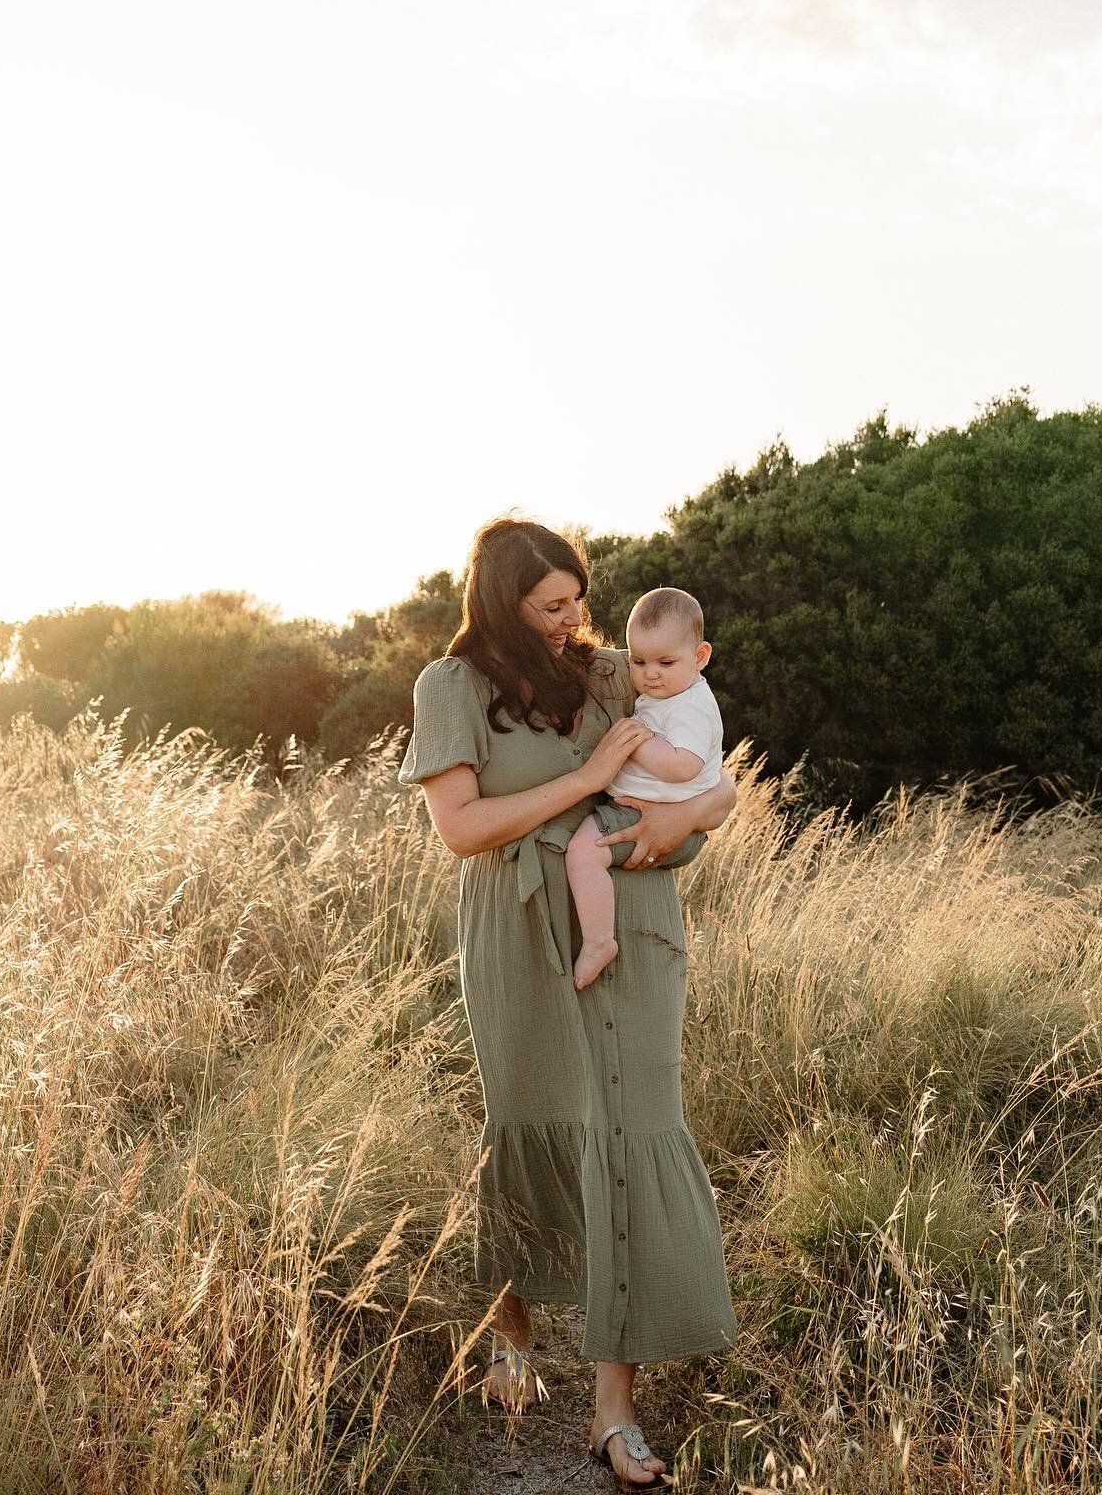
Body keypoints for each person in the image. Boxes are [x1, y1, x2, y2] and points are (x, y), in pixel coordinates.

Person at [399, 518, 738, 1489]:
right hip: (514, 930)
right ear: (503, 602)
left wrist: (682, 815)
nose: (574, 620)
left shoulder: (604, 674)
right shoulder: (451, 688)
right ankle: (513, 1341)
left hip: (632, 921)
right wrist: (587, 781)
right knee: (528, 1125)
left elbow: (715, 776)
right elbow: (460, 829)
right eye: (553, 606)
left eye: (579, 601)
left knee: (630, 1135)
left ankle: (612, 1416)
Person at [564, 588, 723, 993]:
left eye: (665, 662)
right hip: (648, 801)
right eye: (638, 661)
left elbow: (683, 765)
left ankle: (599, 941)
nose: (650, 674)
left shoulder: (690, 707)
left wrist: (637, 740)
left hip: (648, 807)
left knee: (583, 853)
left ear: (700, 657)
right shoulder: (672, 693)